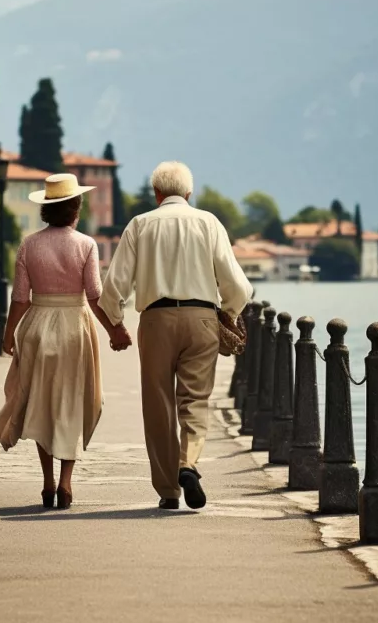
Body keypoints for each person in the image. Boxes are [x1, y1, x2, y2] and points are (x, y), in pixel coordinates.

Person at [99, 161, 252, 510]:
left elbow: (113, 287)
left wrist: (116, 322)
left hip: (155, 320)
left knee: (158, 404)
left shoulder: (140, 225)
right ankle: (188, 463)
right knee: (195, 399)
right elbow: (238, 287)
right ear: (188, 193)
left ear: (156, 194)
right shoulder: (208, 222)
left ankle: (168, 490)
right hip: (201, 318)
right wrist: (227, 312)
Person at [0, 173, 132, 510]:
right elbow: (95, 296)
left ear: (46, 210)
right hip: (74, 329)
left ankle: (48, 482)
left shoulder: (29, 244)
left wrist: (8, 334)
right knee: (70, 404)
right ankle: (67, 483)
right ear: (76, 209)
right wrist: (116, 330)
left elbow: (20, 298)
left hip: (37, 326)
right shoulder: (86, 244)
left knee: (41, 404)